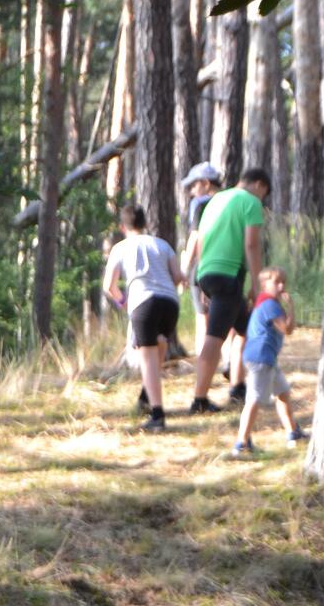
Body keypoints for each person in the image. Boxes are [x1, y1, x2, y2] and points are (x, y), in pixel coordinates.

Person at [190, 165, 271, 415]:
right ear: (259, 185)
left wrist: (203, 277)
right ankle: (199, 400)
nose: (262, 199)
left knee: (246, 328)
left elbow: (201, 238)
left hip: (208, 272)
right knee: (215, 337)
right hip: (228, 276)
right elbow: (251, 244)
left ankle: (238, 386)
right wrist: (259, 285)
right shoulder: (250, 202)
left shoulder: (215, 200)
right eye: (264, 194)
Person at [102, 202, 184, 434]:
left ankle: (157, 414)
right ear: (145, 223)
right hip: (170, 302)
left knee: (147, 357)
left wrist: (124, 303)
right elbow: (177, 276)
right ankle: (146, 397)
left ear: (122, 226)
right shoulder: (162, 244)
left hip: (142, 301)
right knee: (159, 345)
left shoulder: (121, 247)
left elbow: (109, 286)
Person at [234, 267, 307, 455]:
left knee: (283, 392)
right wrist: (291, 306)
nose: (281, 286)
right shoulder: (270, 305)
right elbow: (287, 329)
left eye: (283, 282)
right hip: (261, 358)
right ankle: (241, 443)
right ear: (264, 284)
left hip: (266, 358)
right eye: (276, 282)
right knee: (254, 400)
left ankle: (293, 432)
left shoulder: (264, 303)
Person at [179, 161, 222, 356]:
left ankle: (203, 359)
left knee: (202, 317)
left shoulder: (201, 205)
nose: (192, 191)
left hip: (203, 267)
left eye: (194, 185)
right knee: (225, 315)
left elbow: (195, 237)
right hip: (229, 266)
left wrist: (184, 270)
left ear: (205, 183)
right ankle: (228, 358)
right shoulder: (230, 201)